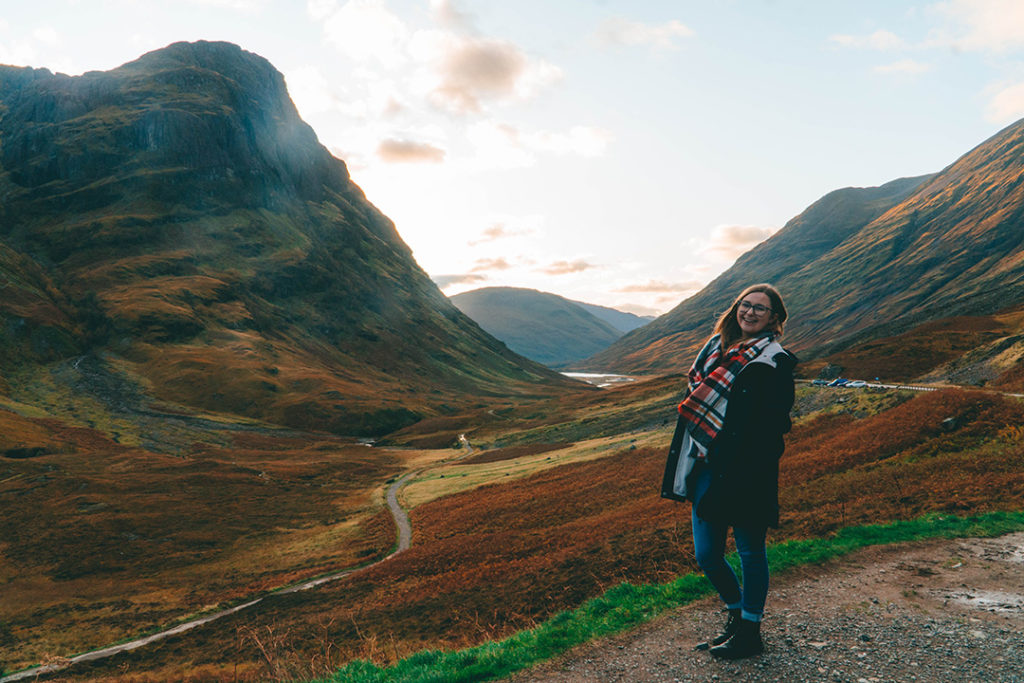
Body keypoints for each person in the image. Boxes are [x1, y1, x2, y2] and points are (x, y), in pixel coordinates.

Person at [660, 283, 796, 659]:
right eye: (745, 305)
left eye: (760, 309)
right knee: (707, 555)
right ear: (736, 308)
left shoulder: (775, 360)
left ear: (775, 319)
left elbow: (777, 424)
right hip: (706, 466)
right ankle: (736, 617)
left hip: (747, 470)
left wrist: (742, 452)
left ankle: (750, 631)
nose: (750, 313)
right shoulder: (713, 350)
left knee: (751, 551)